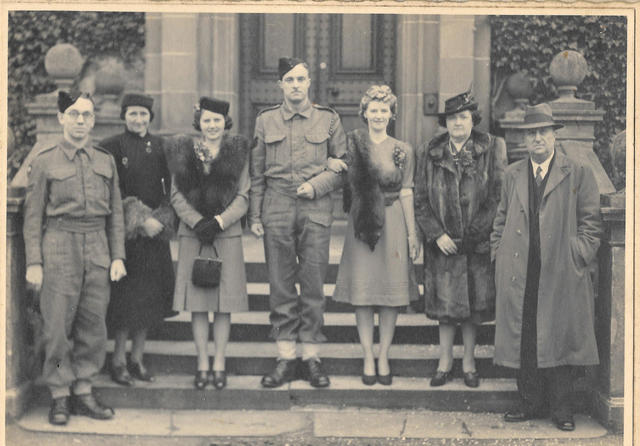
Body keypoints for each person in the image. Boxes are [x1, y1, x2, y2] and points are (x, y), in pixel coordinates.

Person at [490, 103, 601, 431]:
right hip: (520, 269)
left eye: (542, 132)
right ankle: (529, 402)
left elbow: (591, 223)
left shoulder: (577, 172)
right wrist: (498, 252)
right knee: (526, 336)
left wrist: (576, 255)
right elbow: (500, 218)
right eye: (531, 133)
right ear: (525, 139)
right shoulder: (513, 174)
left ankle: (562, 409)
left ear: (554, 135)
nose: (537, 138)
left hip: (561, 270)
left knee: (560, 338)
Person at [23, 90, 126, 425]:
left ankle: (83, 390)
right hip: (58, 245)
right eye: (75, 114)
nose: (81, 121)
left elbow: (117, 215)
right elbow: (32, 216)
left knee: (93, 325)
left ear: (93, 120)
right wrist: (34, 262)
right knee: (56, 326)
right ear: (61, 119)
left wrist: (118, 256)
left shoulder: (104, 159)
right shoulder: (44, 159)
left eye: (87, 115)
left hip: (97, 246)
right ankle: (59, 395)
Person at [249, 57, 346, 388]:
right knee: (280, 285)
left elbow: (341, 167)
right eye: (289, 80)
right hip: (276, 205)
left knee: (314, 285)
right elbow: (257, 172)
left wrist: (316, 186)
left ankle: (311, 358)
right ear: (280, 85)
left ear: (308, 83)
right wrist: (256, 214)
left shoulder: (329, 120)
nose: (295, 85)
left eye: (300, 79)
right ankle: (285, 357)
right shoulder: (264, 121)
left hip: (315, 207)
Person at [414, 89, 506, 388]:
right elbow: (420, 199)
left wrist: (475, 233)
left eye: (463, 117)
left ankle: (468, 362)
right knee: (445, 307)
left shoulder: (492, 148)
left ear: (473, 120)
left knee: (471, 307)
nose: (457, 123)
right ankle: (444, 362)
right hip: (442, 244)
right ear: (446, 123)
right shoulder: (429, 151)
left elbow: (497, 196)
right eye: (452, 118)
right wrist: (436, 234)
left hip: (475, 244)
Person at [332, 85, 420, 386]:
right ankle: (368, 355)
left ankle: (384, 354)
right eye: (374, 110)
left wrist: (412, 234)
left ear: (391, 114)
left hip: (393, 221)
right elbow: (338, 171)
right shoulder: (353, 144)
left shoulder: (403, 149)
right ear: (364, 113)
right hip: (363, 222)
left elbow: (407, 191)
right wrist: (331, 163)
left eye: (384, 110)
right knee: (364, 293)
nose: (379, 115)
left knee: (389, 295)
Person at [168, 97, 250, 390]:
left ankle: (220, 362)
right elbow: (176, 195)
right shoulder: (186, 153)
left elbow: (244, 196)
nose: (212, 125)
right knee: (200, 305)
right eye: (206, 120)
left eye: (217, 120)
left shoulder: (237, 152)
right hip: (194, 235)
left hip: (225, 236)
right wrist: (196, 221)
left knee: (223, 305)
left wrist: (218, 222)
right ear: (199, 123)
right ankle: (202, 362)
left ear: (224, 123)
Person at [100, 93, 176, 386]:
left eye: (143, 114)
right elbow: (110, 191)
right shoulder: (111, 147)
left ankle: (137, 359)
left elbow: (172, 190)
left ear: (150, 117)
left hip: (155, 236)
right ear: (124, 116)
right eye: (132, 114)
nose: (138, 119)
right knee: (124, 300)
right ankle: (118, 360)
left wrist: (160, 220)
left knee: (148, 301)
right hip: (126, 237)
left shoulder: (162, 148)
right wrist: (138, 220)